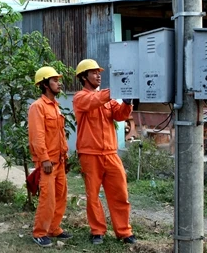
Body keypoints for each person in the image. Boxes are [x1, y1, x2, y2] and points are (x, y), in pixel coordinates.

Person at [73, 59, 137, 245]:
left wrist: (127, 102)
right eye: (93, 72)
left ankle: (124, 232)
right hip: (89, 154)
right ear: (84, 77)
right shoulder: (80, 98)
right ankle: (97, 231)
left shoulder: (106, 99)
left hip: (110, 153)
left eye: (98, 72)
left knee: (120, 194)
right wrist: (117, 89)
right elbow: (95, 100)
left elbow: (121, 115)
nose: (98, 75)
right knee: (93, 196)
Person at [28, 66, 72, 248]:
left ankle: (54, 228)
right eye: (54, 80)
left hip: (60, 161)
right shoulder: (37, 107)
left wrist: (66, 155)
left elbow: (59, 135)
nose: (58, 83)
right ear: (45, 84)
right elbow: (37, 136)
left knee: (61, 195)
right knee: (48, 199)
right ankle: (39, 232)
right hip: (48, 163)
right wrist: (44, 159)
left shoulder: (55, 106)